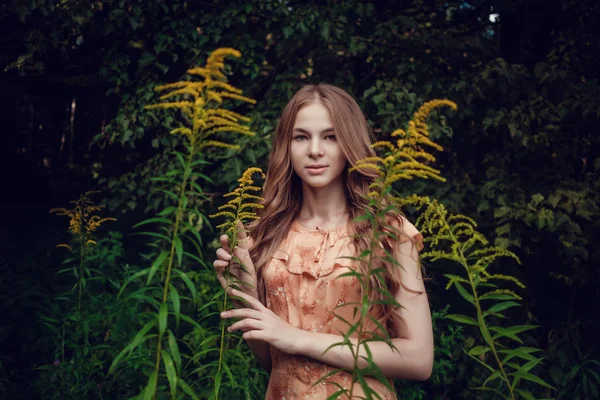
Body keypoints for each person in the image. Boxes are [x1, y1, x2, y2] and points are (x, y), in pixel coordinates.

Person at [213, 84, 434, 399]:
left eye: (330, 136)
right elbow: (271, 359)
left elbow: (419, 360)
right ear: (286, 146)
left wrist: (298, 338)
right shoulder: (265, 236)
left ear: (350, 143)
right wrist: (246, 296)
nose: (314, 150)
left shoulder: (388, 233)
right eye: (301, 137)